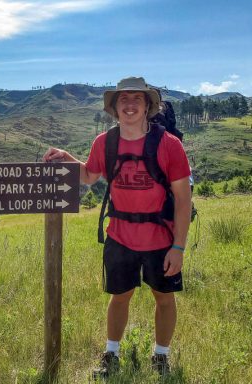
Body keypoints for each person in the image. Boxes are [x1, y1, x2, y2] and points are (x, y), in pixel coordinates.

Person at [43, 77, 192, 378]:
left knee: (164, 297)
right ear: (114, 108)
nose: (130, 105)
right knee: (119, 295)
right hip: (120, 235)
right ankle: (111, 353)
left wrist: (178, 247)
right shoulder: (105, 142)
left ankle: (161, 356)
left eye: (137, 98)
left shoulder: (168, 145)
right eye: (123, 99)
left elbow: (183, 199)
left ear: (148, 106)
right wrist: (66, 158)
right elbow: (89, 175)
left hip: (160, 237)